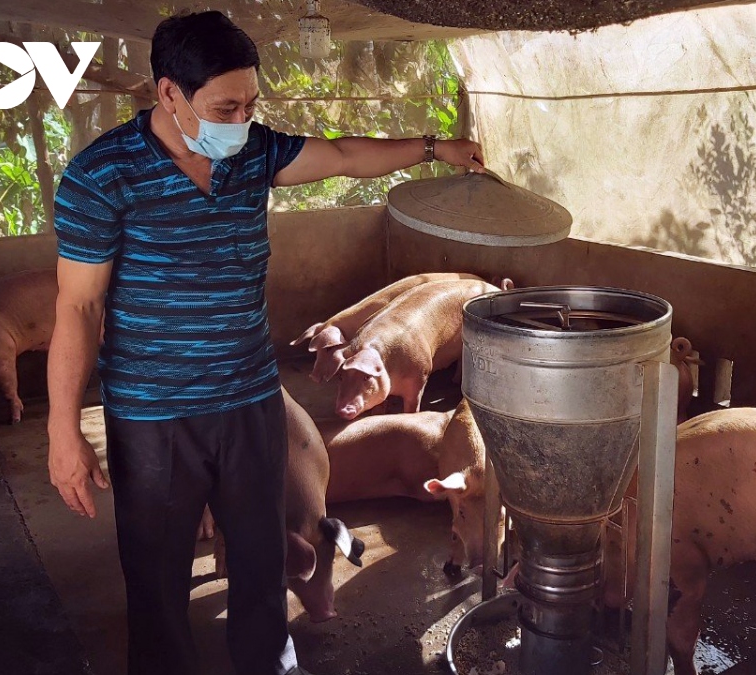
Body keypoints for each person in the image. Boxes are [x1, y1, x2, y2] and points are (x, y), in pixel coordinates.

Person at [45, 10, 483, 675]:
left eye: (251, 103)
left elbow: (342, 154)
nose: (242, 118)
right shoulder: (101, 176)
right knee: (158, 576)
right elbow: (77, 306)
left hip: (251, 401)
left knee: (260, 556)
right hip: (152, 416)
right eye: (226, 105)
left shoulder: (251, 151)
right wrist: (61, 431)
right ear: (169, 93)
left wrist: (435, 148)